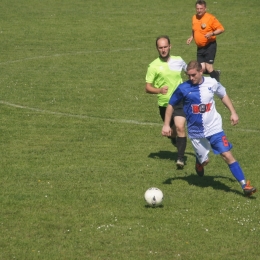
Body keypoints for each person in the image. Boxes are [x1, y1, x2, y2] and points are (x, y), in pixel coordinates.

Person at [162, 60, 256, 196]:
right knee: (205, 161)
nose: (191, 78)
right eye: (188, 75)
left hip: (215, 128)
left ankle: (244, 185)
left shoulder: (212, 83)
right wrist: (166, 125)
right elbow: (171, 104)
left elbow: (223, 95)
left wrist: (233, 112)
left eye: (193, 75)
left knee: (227, 155)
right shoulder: (183, 88)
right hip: (196, 132)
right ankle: (199, 162)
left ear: (201, 71)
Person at [145, 35, 187, 168]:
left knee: (180, 127)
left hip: (180, 101)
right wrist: (158, 91)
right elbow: (147, 87)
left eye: (165, 47)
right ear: (157, 49)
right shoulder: (153, 66)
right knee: (171, 132)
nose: (163, 50)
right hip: (164, 104)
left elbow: (190, 72)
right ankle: (173, 138)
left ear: (170, 46)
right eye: (160, 47)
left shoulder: (179, 60)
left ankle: (180, 159)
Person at [186, 0, 224, 82]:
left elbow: (221, 29)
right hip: (200, 47)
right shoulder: (194, 17)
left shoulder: (210, 18)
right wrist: (191, 37)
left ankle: (217, 86)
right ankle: (215, 73)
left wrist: (212, 33)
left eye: (201, 8)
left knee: (209, 67)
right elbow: (194, 29)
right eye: (197, 8)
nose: (199, 10)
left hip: (210, 46)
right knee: (201, 69)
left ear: (205, 8)